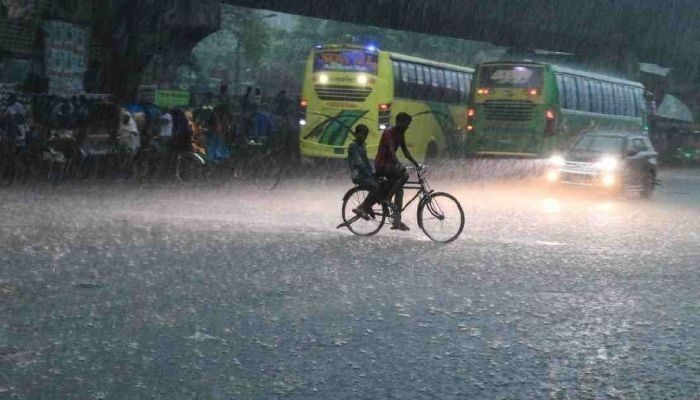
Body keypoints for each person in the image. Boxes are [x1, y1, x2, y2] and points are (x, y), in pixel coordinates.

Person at [375, 112, 420, 231]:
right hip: (383, 165)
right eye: (407, 124)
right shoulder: (389, 132)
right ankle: (388, 198)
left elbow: (405, 150)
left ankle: (397, 220)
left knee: (399, 190)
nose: (408, 126)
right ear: (400, 122)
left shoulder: (400, 133)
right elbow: (391, 150)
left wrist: (416, 163)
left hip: (390, 165)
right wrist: (399, 165)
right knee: (404, 176)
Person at [347, 124, 381, 219]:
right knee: (375, 187)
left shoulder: (362, 145)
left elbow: (366, 161)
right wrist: (369, 174)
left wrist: (373, 172)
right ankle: (362, 207)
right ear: (356, 134)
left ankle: (367, 205)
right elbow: (359, 162)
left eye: (365, 135)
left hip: (365, 174)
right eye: (361, 134)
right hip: (358, 175)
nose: (363, 136)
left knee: (381, 185)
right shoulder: (353, 146)